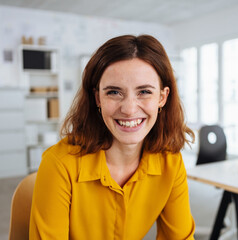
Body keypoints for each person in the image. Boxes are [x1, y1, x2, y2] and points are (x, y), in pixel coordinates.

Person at [29, 34, 196, 239]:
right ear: (97, 97)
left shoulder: (171, 162)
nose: (128, 109)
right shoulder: (59, 164)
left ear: (162, 98)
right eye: (114, 92)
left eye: (144, 91)